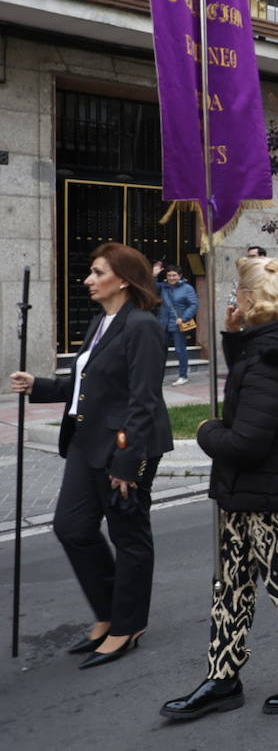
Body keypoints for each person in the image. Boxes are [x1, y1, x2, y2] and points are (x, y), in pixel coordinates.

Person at [161, 257, 278, 721]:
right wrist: (232, 336)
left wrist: (205, 431)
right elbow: (251, 381)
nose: (233, 304)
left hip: (267, 494)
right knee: (232, 585)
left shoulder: (274, 361)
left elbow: (245, 440)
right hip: (247, 492)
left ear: (249, 300)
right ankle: (223, 677)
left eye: (237, 297)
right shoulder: (275, 345)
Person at [9, 243, 172, 668]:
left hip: (122, 446)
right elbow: (88, 385)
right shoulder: (103, 322)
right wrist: (39, 385)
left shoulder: (142, 327)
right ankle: (108, 611)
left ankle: (128, 624)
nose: (88, 280)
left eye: (97, 272)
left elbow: (144, 400)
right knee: (71, 527)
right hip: (85, 441)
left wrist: (126, 463)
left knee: (129, 536)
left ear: (122, 279)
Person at [158, 264, 199, 386]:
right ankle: (158, 375)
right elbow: (149, 286)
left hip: (179, 323)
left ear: (180, 276)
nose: (171, 278)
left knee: (180, 350)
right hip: (163, 323)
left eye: (174, 275)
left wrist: (184, 317)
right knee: (160, 351)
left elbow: (193, 305)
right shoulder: (163, 287)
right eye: (169, 275)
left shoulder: (187, 288)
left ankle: (183, 376)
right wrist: (154, 275)